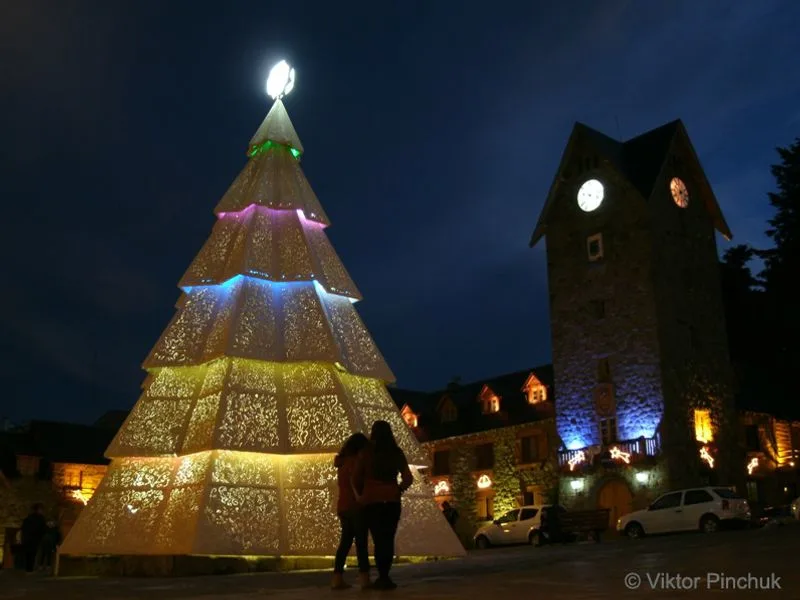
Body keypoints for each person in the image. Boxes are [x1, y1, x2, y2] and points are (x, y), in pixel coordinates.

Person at [353, 421, 413, 590]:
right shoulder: (396, 453)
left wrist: (362, 493)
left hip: (372, 502)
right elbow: (408, 478)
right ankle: (386, 576)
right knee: (388, 538)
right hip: (392, 501)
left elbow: (356, 478)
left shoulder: (366, 453)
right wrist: (398, 489)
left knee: (378, 539)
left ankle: (381, 576)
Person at [332, 432, 371, 590]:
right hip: (357, 506)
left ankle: (337, 577)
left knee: (345, 543)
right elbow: (359, 482)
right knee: (361, 543)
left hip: (343, 506)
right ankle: (364, 578)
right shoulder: (357, 462)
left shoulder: (341, 463)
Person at [20, 503, 47, 573]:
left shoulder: (28, 518)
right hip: (35, 539)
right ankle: (30, 569)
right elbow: (43, 529)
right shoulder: (40, 518)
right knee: (33, 554)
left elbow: (24, 528)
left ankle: (28, 568)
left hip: (28, 538)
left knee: (28, 554)